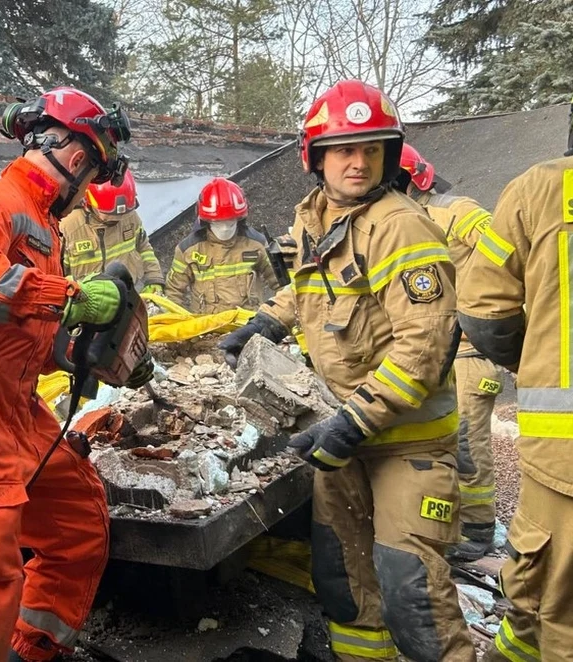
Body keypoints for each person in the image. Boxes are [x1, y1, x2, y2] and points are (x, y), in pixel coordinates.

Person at [219, 80, 474, 661]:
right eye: (343, 150)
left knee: (411, 590)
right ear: (316, 156)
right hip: (342, 437)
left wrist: (354, 420)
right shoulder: (315, 217)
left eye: (371, 149)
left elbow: (425, 347)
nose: (358, 162)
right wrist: (264, 325)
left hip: (403, 444)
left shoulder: (400, 226)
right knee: (343, 584)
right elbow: (313, 292)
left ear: (388, 154)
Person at [0, 86, 150, 661]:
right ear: (74, 157)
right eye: (92, 172)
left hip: (11, 399)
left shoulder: (45, 228)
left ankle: (29, 649)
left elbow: (14, 327)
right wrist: (71, 297)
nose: (88, 187)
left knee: (76, 518)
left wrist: (66, 354)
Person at [457, 152, 573, 661]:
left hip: (562, 446)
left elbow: (484, 312)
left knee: (548, 594)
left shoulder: (541, 188)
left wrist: (535, 362)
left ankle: (478, 531)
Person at [399, 142, 502, 561]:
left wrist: (484, 309)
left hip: (470, 352)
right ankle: (448, 523)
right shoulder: (397, 220)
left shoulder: (455, 210)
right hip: (431, 353)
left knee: (467, 442)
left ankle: (478, 530)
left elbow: (504, 251)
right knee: (436, 441)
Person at [165, 177, 280, 313]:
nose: (225, 228)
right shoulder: (188, 250)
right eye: (218, 223)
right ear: (206, 221)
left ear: (240, 219)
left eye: (230, 222)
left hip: (249, 326)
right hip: (206, 328)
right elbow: (173, 294)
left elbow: (282, 284)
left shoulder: (256, 244)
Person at [60, 170, 163, 292]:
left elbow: (144, 248)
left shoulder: (130, 217)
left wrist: (154, 279)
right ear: (90, 203)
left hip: (126, 294)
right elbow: (55, 271)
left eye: (122, 214)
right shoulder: (68, 227)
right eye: (109, 215)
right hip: (86, 302)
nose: (118, 219)